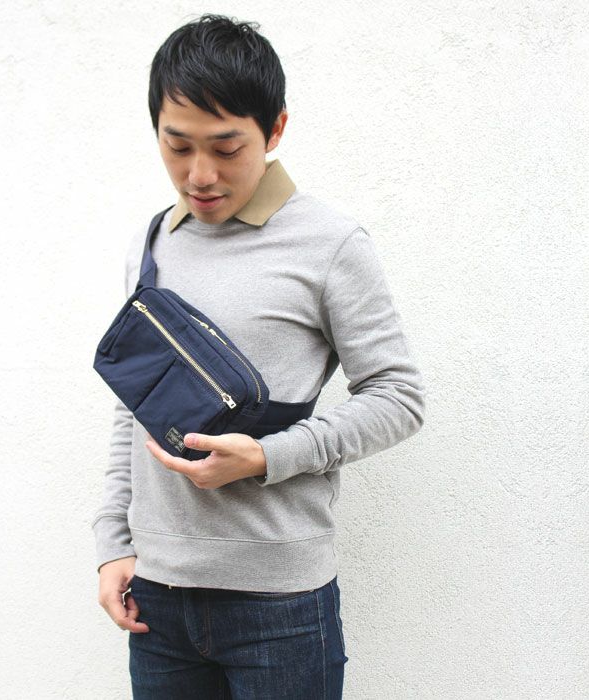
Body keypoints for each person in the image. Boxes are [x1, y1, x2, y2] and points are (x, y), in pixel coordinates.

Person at [92, 13, 426, 699]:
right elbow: (136, 408)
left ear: (274, 130)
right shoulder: (152, 243)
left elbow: (398, 398)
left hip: (280, 608)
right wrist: (114, 543)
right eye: (177, 146)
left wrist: (269, 457)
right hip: (158, 600)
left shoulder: (331, 244)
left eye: (226, 147)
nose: (200, 174)